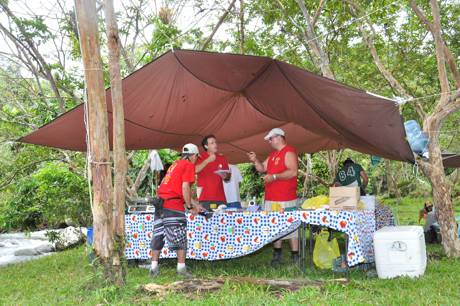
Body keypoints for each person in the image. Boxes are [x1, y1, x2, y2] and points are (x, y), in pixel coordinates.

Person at [150, 143, 204, 278]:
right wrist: (190, 207)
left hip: (160, 204)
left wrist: (195, 204)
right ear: (193, 155)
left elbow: (178, 188)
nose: (196, 159)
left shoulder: (175, 164)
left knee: (158, 235)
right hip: (173, 205)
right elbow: (185, 188)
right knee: (179, 236)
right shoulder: (189, 165)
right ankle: (181, 269)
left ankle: (153, 268)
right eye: (197, 156)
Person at [247, 128, 299, 265]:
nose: (269, 141)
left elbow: (293, 172)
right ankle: (277, 255)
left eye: (271, 138)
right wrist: (255, 160)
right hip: (271, 197)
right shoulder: (273, 155)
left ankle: (295, 256)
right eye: (269, 139)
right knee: (275, 227)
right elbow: (262, 168)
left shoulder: (289, 152)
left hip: (286, 197)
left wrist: (274, 176)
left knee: (291, 226)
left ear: (280, 137)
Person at [195, 135, 230, 210]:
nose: (215, 145)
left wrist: (225, 176)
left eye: (215, 142)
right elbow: (195, 170)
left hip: (221, 199)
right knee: (206, 221)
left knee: (223, 221)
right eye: (212, 143)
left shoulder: (222, 158)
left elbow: (228, 178)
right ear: (206, 146)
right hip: (205, 199)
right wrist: (207, 160)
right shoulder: (200, 157)